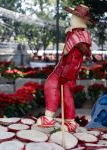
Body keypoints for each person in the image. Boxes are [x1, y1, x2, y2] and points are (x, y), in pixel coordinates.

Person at [36, 4, 93, 132]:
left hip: (67, 71)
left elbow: (75, 59)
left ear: (81, 19)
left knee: (58, 89)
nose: (72, 18)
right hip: (64, 69)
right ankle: (63, 120)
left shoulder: (80, 36)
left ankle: (62, 120)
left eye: (75, 16)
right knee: (63, 92)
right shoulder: (75, 33)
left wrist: (66, 74)